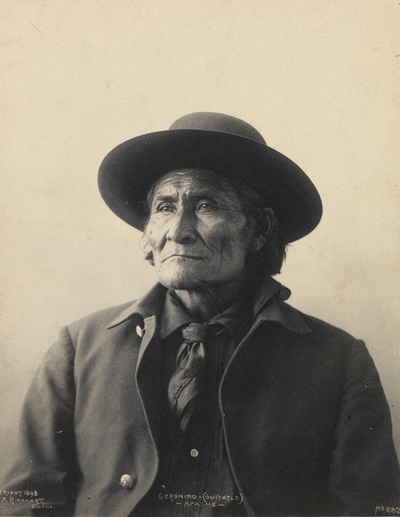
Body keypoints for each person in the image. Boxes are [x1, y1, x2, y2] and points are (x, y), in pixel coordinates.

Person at [1, 112, 399, 517]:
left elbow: (372, 509)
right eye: (164, 207)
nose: (179, 230)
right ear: (148, 235)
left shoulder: (338, 361)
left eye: (206, 205)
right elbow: (28, 500)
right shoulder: (80, 348)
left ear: (259, 230)